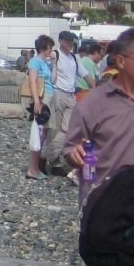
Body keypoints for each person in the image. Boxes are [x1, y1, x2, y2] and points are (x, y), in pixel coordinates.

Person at [65, 27, 134, 203]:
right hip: (105, 205)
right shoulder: (92, 103)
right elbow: (70, 149)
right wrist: (74, 154)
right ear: (121, 61)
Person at [43, 31, 96, 179]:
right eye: (67, 41)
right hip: (57, 93)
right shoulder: (55, 55)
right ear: (61, 41)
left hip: (70, 95)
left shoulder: (74, 58)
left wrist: (97, 89)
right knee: (55, 129)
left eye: (72, 41)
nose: (70, 43)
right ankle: (55, 163)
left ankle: (45, 155)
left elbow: (85, 75)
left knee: (68, 129)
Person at [25, 35, 56, 180]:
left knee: (43, 134)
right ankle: (32, 168)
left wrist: (54, 64)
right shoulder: (35, 62)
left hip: (49, 97)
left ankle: (35, 167)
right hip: (43, 98)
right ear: (45, 47)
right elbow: (32, 81)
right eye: (50, 47)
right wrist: (37, 101)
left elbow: (53, 80)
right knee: (39, 132)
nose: (51, 50)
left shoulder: (45, 62)